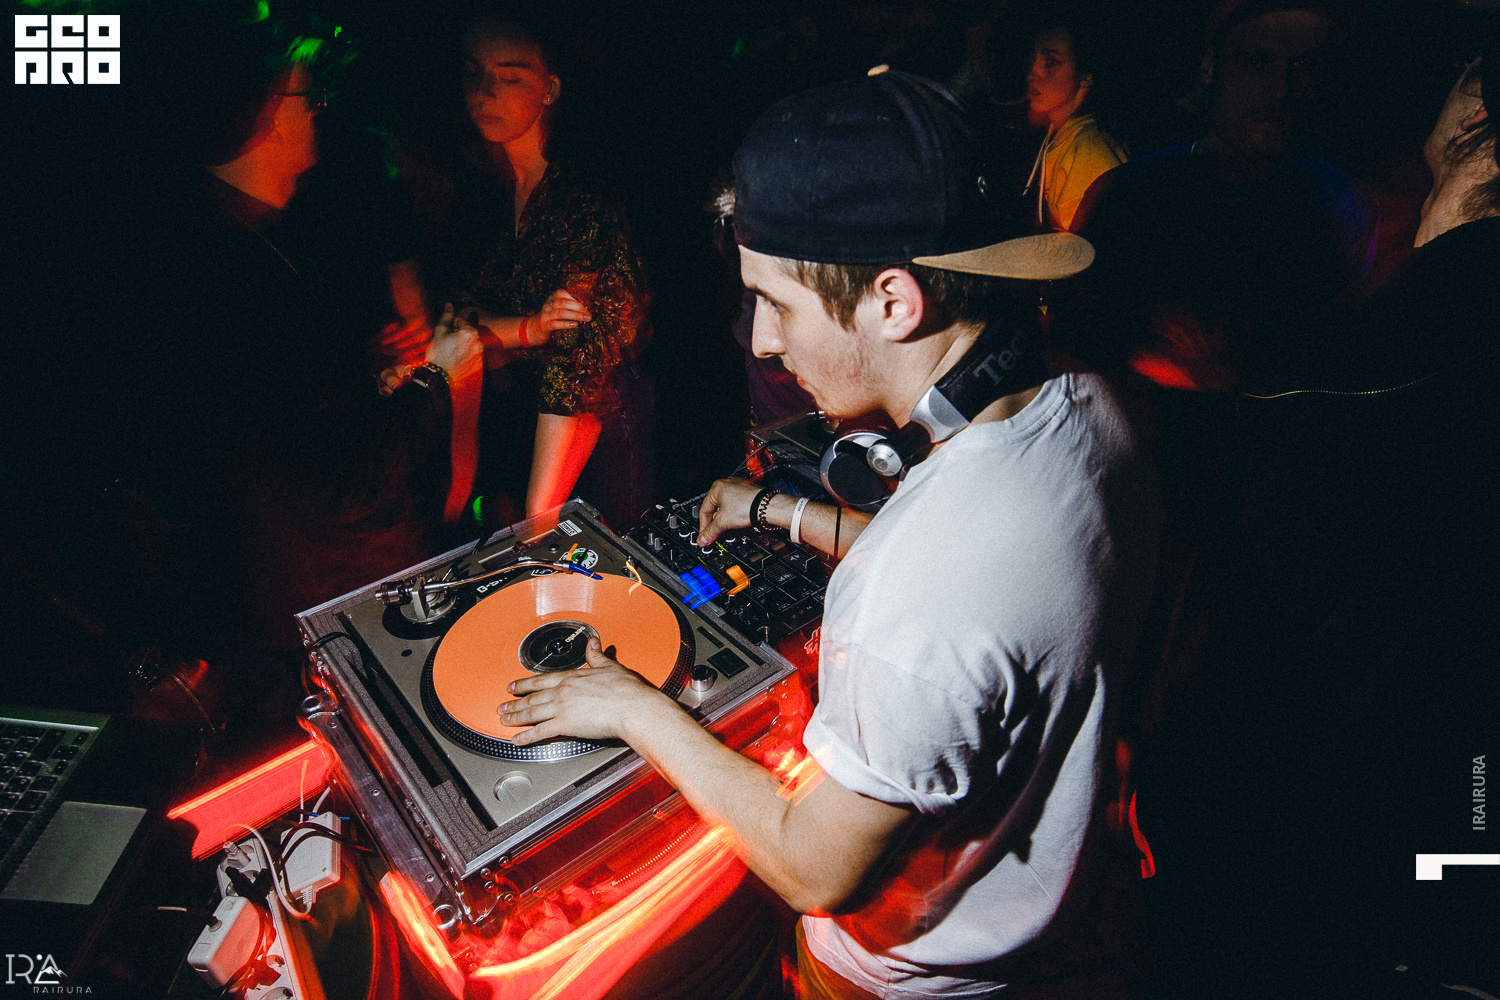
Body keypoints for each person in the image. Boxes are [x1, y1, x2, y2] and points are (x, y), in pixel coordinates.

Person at [497, 69, 1161, 998]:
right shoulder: (1090, 402)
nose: (762, 341)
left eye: (776, 301)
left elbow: (815, 868)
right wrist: (780, 510)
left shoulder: (921, 588)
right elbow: (981, 601)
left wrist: (632, 707)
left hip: (895, 973)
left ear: (894, 301)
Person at [126, 12, 481, 707]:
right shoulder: (230, 275)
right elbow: (343, 483)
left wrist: (371, 381)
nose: (319, 108)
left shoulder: (234, 236)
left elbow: (288, 424)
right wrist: (438, 377)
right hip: (339, 605)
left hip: (303, 596)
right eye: (305, 96)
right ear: (263, 116)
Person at [408, 12, 654, 528]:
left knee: (601, 556)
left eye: (511, 76)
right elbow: (459, 316)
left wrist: (537, 516)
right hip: (518, 411)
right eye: (473, 72)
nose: (485, 93)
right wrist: (530, 328)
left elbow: (580, 355)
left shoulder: (583, 192)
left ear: (550, 89)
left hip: (594, 419)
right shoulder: (479, 192)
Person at [1020, 18, 1128, 232]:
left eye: (1051, 62)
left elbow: (1087, 244)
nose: (1032, 73)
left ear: (1085, 77)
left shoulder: (1089, 151)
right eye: (1033, 59)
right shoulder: (1058, 134)